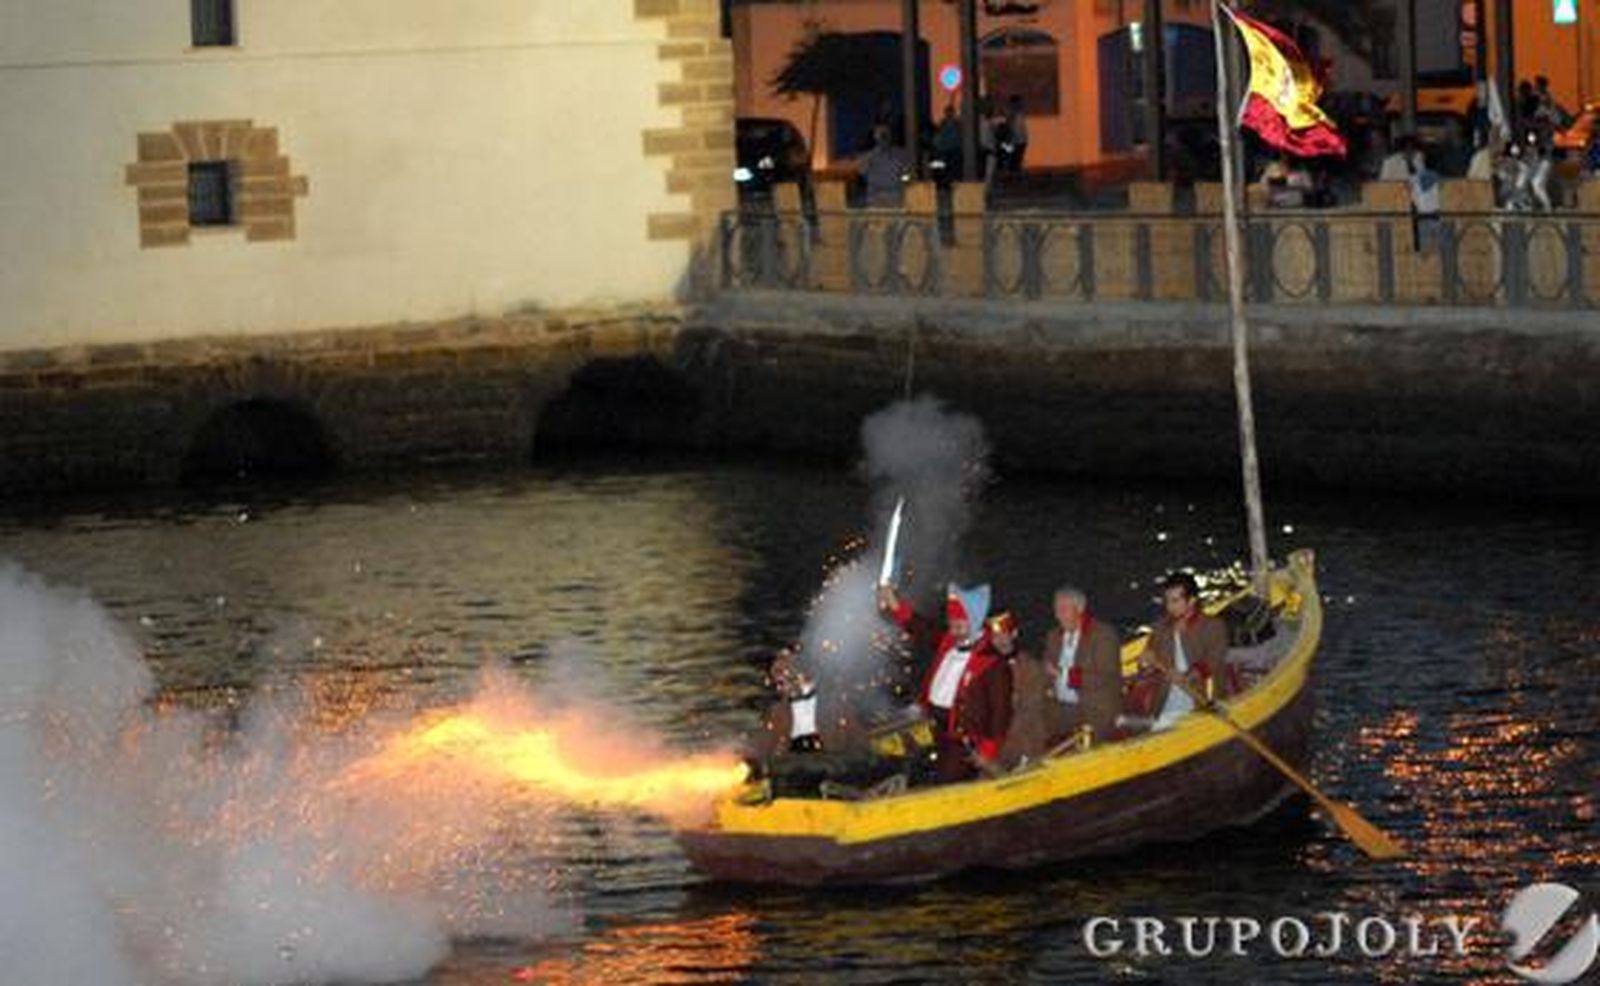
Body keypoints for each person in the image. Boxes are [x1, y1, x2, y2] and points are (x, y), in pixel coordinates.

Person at [878, 582, 1009, 781]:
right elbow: (920, 627)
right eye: (952, 622)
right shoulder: (948, 641)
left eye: (960, 624)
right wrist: (894, 604)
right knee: (890, 752)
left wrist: (988, 751)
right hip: (929, 721)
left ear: (974, 622)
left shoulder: (993, 663)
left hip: (962, 738)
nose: (954, 629)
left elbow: (1000, 712)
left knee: (944, 778)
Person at [1138, 572, 1233, 731]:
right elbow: (1145, 668)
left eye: (1175, 601)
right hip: (1164, 706)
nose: (1169, 607)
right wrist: (1145, 663)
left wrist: (1187, 677)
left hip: (1202, 704)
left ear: (1192, 601)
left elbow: (1214, 663)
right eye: (1167, 601)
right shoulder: (1160, 629)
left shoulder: (1214, 626)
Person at [1041, 586, 1123, 744]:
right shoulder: (1054, 637)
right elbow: (1046, 673)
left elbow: (1104, 677)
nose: (1057, 616)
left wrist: (1062, 674)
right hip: (1062, 706)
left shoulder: (1103, 635)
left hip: (1094, 708)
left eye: (1063, 610)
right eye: (1056, 610)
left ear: (1080, 609)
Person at [858, 124, 911, 208]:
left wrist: (903, 183)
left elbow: (907, 174)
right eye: (882, 135)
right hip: (880, 196)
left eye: (884, 135)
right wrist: (903, 182)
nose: (883, 139)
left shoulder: (901, 155)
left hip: (891, 196)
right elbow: (863, 173)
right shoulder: (867, 157)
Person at [1003, 95, 1030, 173]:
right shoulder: (1018, 114)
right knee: (1014, 159)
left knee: (1014, 159)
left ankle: (1014, 172)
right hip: (1019, 141)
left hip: (1017, 141)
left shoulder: (1016, 114)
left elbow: (1012, 128)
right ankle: (1014, 172)